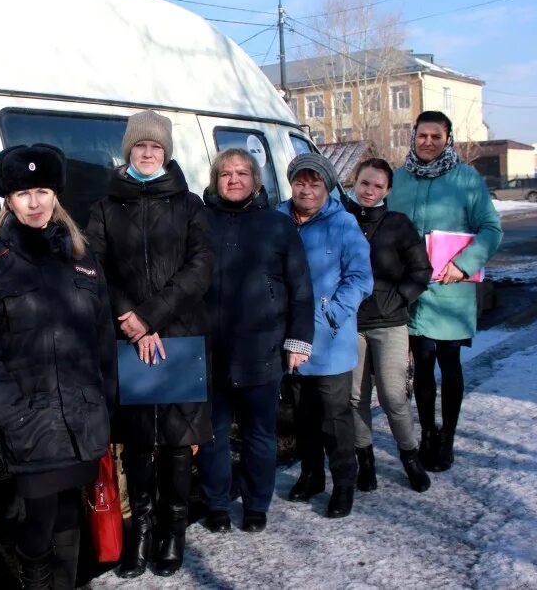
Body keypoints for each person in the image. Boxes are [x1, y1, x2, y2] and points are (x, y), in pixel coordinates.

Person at [0, 144, 116, 590]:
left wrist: (108, 406)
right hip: (32, 422)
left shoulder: (82, 259)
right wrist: (13, 415)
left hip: (82, 421)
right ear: (8, 198)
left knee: (69, 517)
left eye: (43, 191)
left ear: (56, 196)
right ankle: (35, 580)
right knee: (38, 522)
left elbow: (103, 340)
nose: (34, 202)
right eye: (23, 192)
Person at [85, 109, 213, 578]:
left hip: (177, 335)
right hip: (126, 336)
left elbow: (200, 268)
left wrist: (151, 318)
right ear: (128, 151)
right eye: (139, 146)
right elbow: (96, 268)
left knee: (178, 441)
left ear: (166, 152)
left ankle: (172, 531)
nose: (146, 152)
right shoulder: (104, 207)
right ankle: (140, 530)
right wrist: (131, 321)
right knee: (138, 442)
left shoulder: (190, 205)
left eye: (155, 146)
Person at [197, 148, 314, 534]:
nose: (234, 179)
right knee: (211, 434)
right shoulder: (198, 222)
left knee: (259, 435)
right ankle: (216, 503)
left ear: (255, 180)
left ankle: (255, 505)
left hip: (262, 348)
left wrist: (298, 340)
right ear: (215, 180)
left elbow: (300, 288)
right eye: (226, 173)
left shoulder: (277, 225)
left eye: (242, 173)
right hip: (210, 350)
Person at [388, 111, 502, 472]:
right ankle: (427, 435)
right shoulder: (398, 179)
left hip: (451, 287)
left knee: (448, 363)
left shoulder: (466, 179)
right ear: (413, 136)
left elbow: (491, 229)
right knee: (421, 363)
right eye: (423, 135)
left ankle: (448, 438)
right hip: (411, 290)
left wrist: (464, 264)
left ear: (448, 138)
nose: (428, 142)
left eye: (436, 136)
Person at [277, 153, 372, 519]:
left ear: (327, 186)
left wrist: (329, 314)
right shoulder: (277, 219)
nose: (307, 189)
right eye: (300, 182)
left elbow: (360, 278)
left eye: (315, 182)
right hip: (289, 340)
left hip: (329, 341)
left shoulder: (343, 224)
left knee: (335, 418)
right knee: (302, 416)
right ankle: (311, 475)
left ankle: (343, 484)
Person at [343, 158, 433, 494]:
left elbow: (421, 271)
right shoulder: (341, 218)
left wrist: (399, 298)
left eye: (378, 186)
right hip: (350, 324)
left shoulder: (398, 224)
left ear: (388, 191)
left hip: (389, 323)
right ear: (355, 181)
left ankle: (410, 457)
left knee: (393, 396)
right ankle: (365, 461)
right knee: (355, 398)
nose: (370, 191)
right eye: (365, 183)